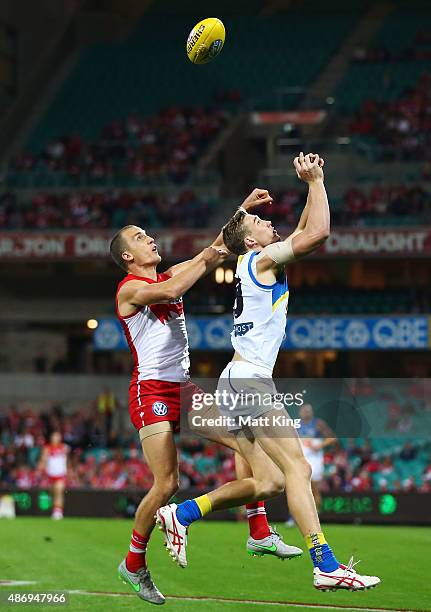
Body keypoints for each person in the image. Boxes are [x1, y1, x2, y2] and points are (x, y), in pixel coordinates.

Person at [157, 153, 381, 592]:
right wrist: (315, 181)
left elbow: (299, 230)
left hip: (237, 378)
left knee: (272, 481)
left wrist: (302, 192)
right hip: (249, 380)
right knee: (299, 471)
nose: (268, 224)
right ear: (251, 242)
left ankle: (183, 513)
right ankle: (325, 562)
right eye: (260, 224)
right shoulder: (260, 261)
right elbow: (317, 233)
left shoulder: (252, 262)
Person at [112, 189, 296, 605]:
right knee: (167, 484)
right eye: (140, 237)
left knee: (246, 441)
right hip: (151, 391)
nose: (150, 238)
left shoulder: (169, 274)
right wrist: (203, 259)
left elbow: (215, 251)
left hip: (184, 387)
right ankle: (134, 562)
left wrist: (241, 212)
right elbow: (176, 285)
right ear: (127, 256)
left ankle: (259, 530)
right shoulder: (129, 289)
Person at [297, 404, 337, 512]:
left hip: (314, 459)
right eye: (303, 410)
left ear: (311, 412)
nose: (305, 412)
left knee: (314, 488)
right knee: (299, 488)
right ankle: (297, 516)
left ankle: (317, 514)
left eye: (308, 410)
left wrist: (319, 445)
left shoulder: (318, 423)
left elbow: (332, 438)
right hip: (301, 458)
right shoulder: (296, 425)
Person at [37, 431, 69, 520]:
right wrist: (40, 469)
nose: (55, 438)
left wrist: (69, 471)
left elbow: (67, 461)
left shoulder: (64, 448)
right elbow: (43, 460)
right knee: (52, 493)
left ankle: (58, 512)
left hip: (61, 475)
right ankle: (54, 509)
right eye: (54, 437)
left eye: (57, 437)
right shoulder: (47, 448)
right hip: (50, 475)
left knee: (59, 491)